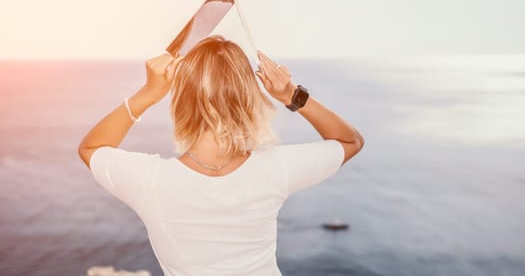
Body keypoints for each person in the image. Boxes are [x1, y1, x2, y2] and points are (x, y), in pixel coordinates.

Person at [78, 35, 365, 276]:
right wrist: (292, 95)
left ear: (181, 101)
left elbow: (91, 148)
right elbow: (349, 141)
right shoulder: (276, 169)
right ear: (247, 98)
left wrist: (148, 94)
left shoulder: (150, 181)